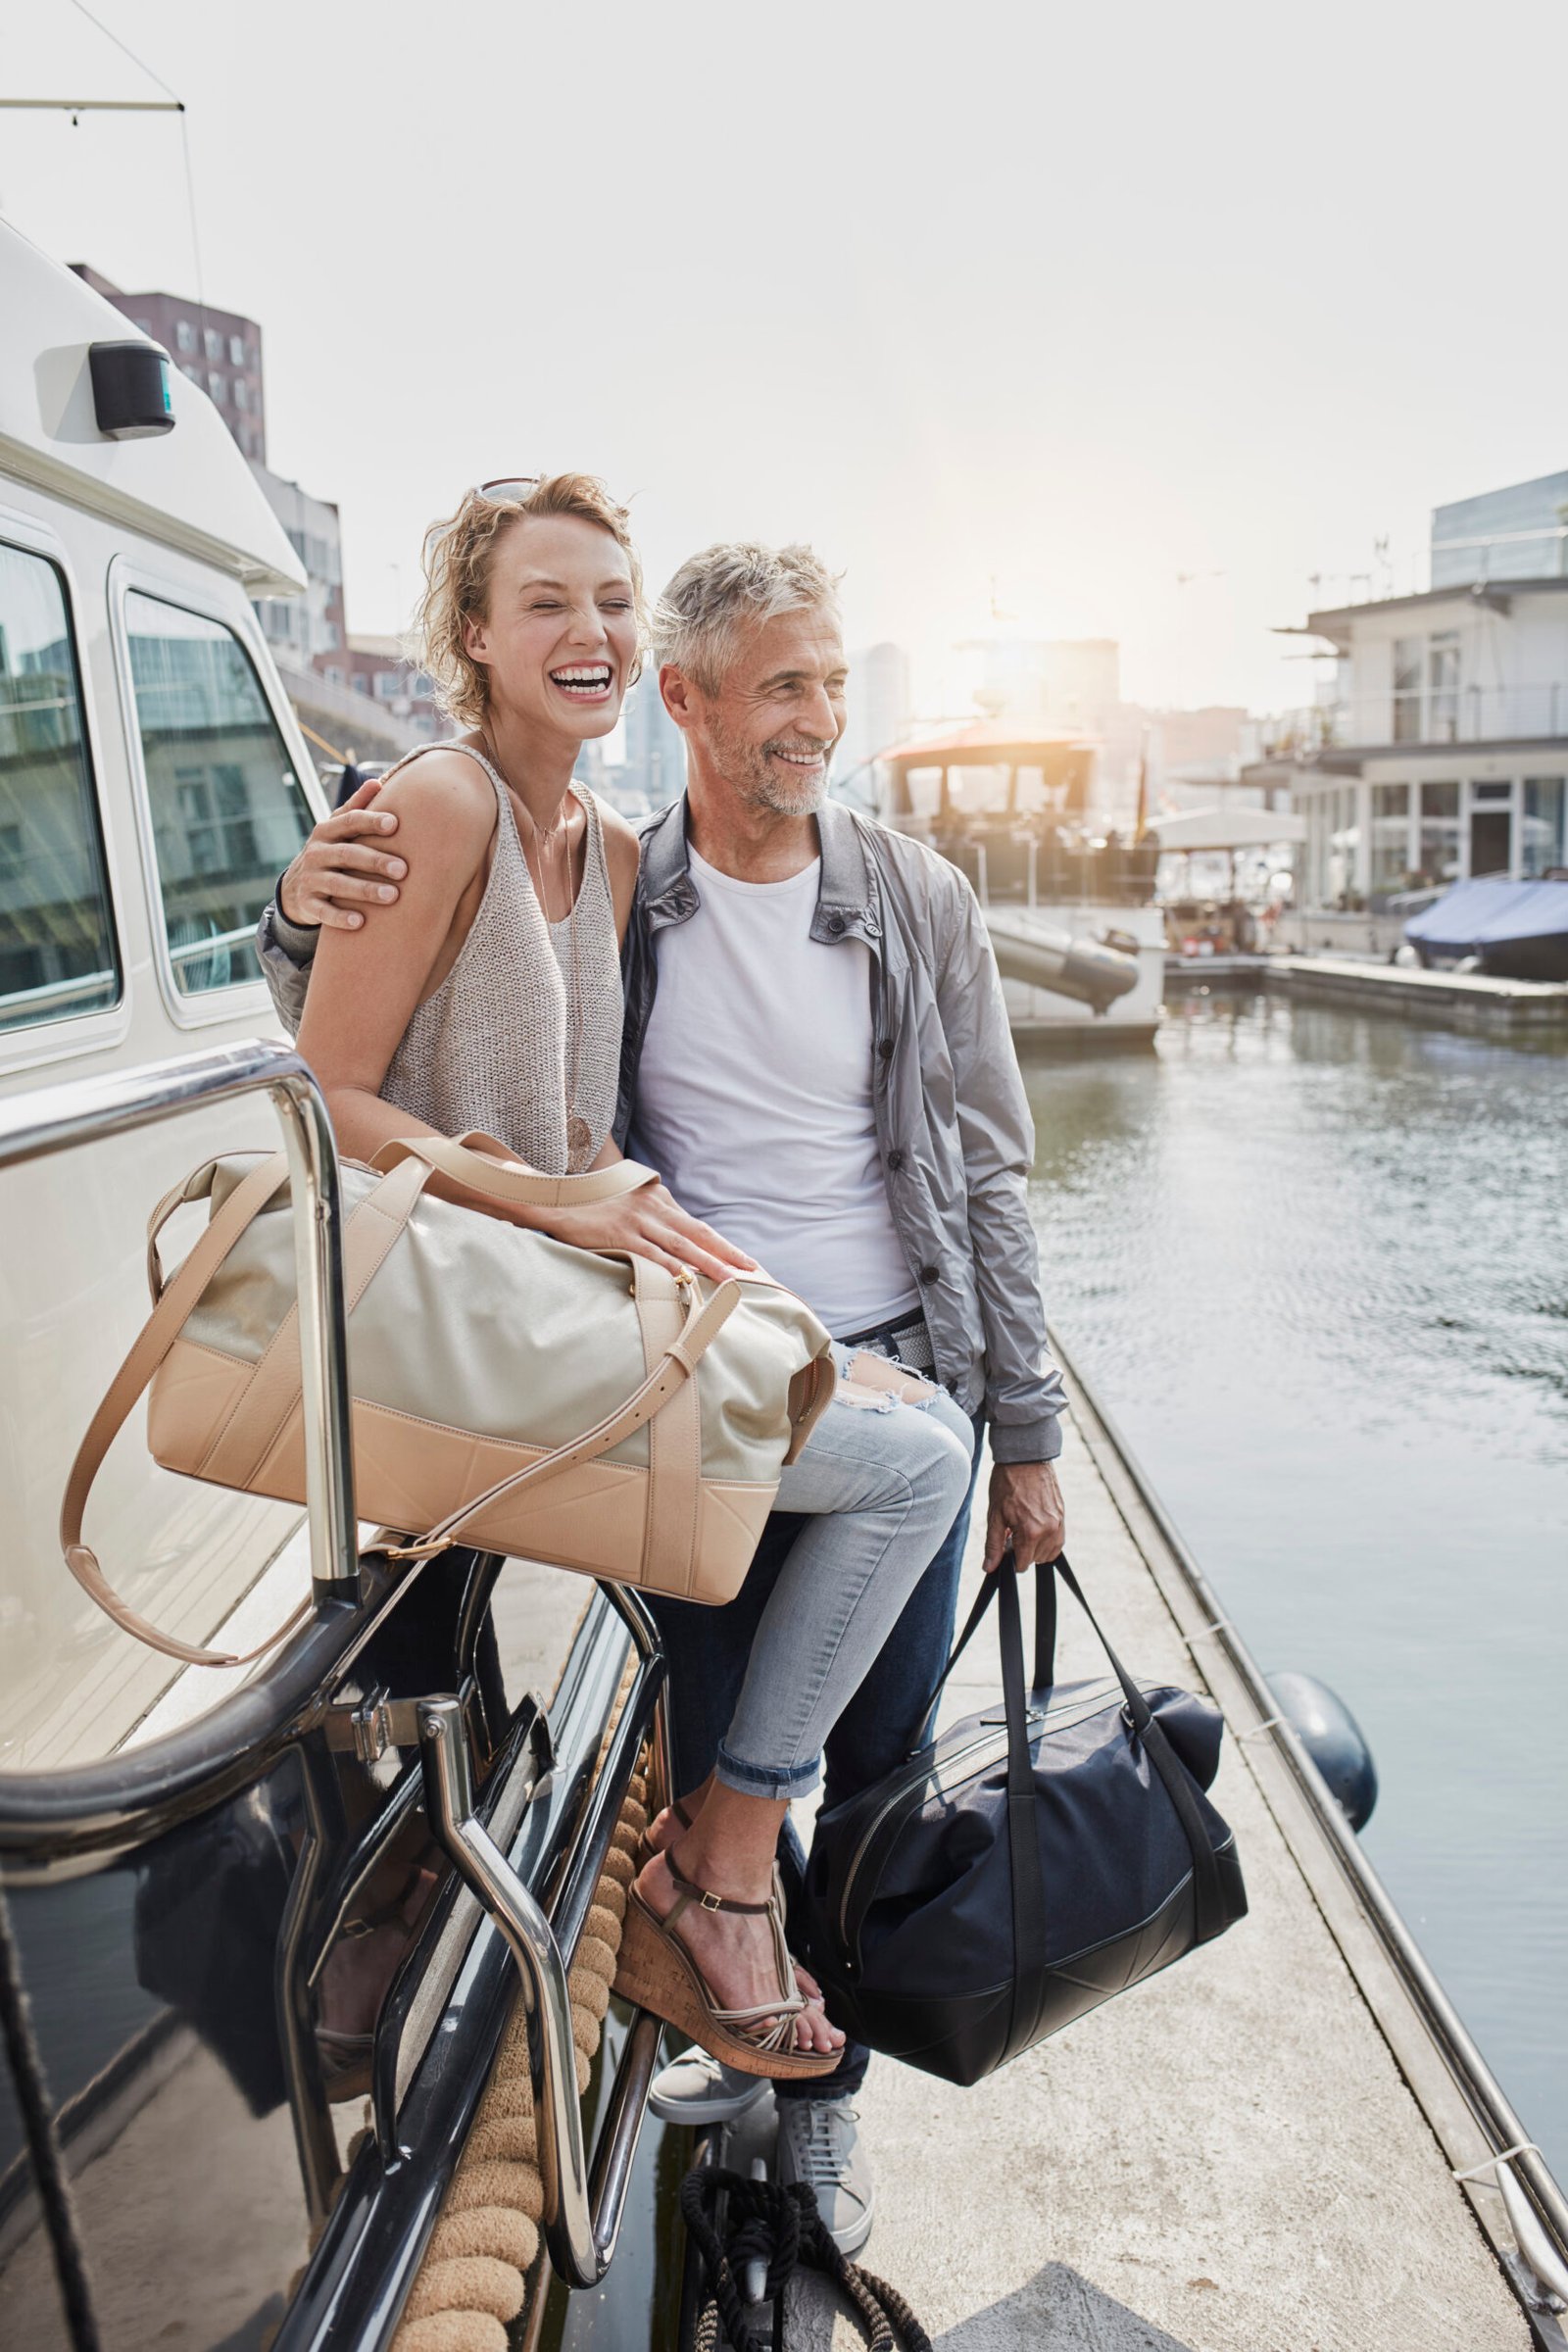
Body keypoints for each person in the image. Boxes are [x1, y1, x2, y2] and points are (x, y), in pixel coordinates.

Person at [261, 533, 1068, 2246]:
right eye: (786, 687)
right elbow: (388, 1038)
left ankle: (821, 2121)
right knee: (718, 1747)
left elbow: (993, 1176)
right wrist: (295, 897)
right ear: (688, 703)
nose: (819, 721)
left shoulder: (916, 897)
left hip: (895, 1360)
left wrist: (1028, 1433)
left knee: (880, 1772)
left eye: (836, 685)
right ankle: (726, 1967)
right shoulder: (631, 877)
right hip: (704, 1378)